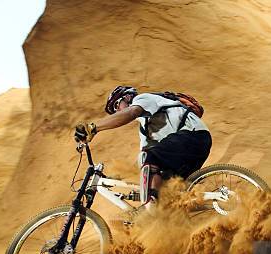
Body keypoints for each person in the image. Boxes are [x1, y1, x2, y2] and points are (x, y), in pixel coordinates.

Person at [75, 86, 212, 209]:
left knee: (150, 160)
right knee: (167, 192)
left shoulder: (144, 98)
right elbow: (143, 161)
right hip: (190, 149)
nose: (117, 111)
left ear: (128, 97)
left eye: (117, 105)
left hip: (194, 136)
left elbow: (131, 113)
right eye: (114, 111)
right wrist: (116, 178)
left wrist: (94, 128)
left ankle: (151, 209)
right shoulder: (145, 128)